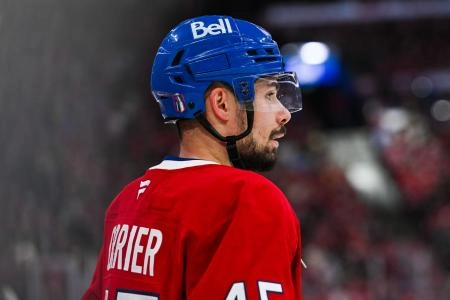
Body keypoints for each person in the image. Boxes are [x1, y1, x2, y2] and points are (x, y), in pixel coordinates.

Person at [83, 15, 303, 300]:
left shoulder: (125, 205)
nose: (283, 112)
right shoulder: (245, 199)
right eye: (270, 94)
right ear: (221, 103)